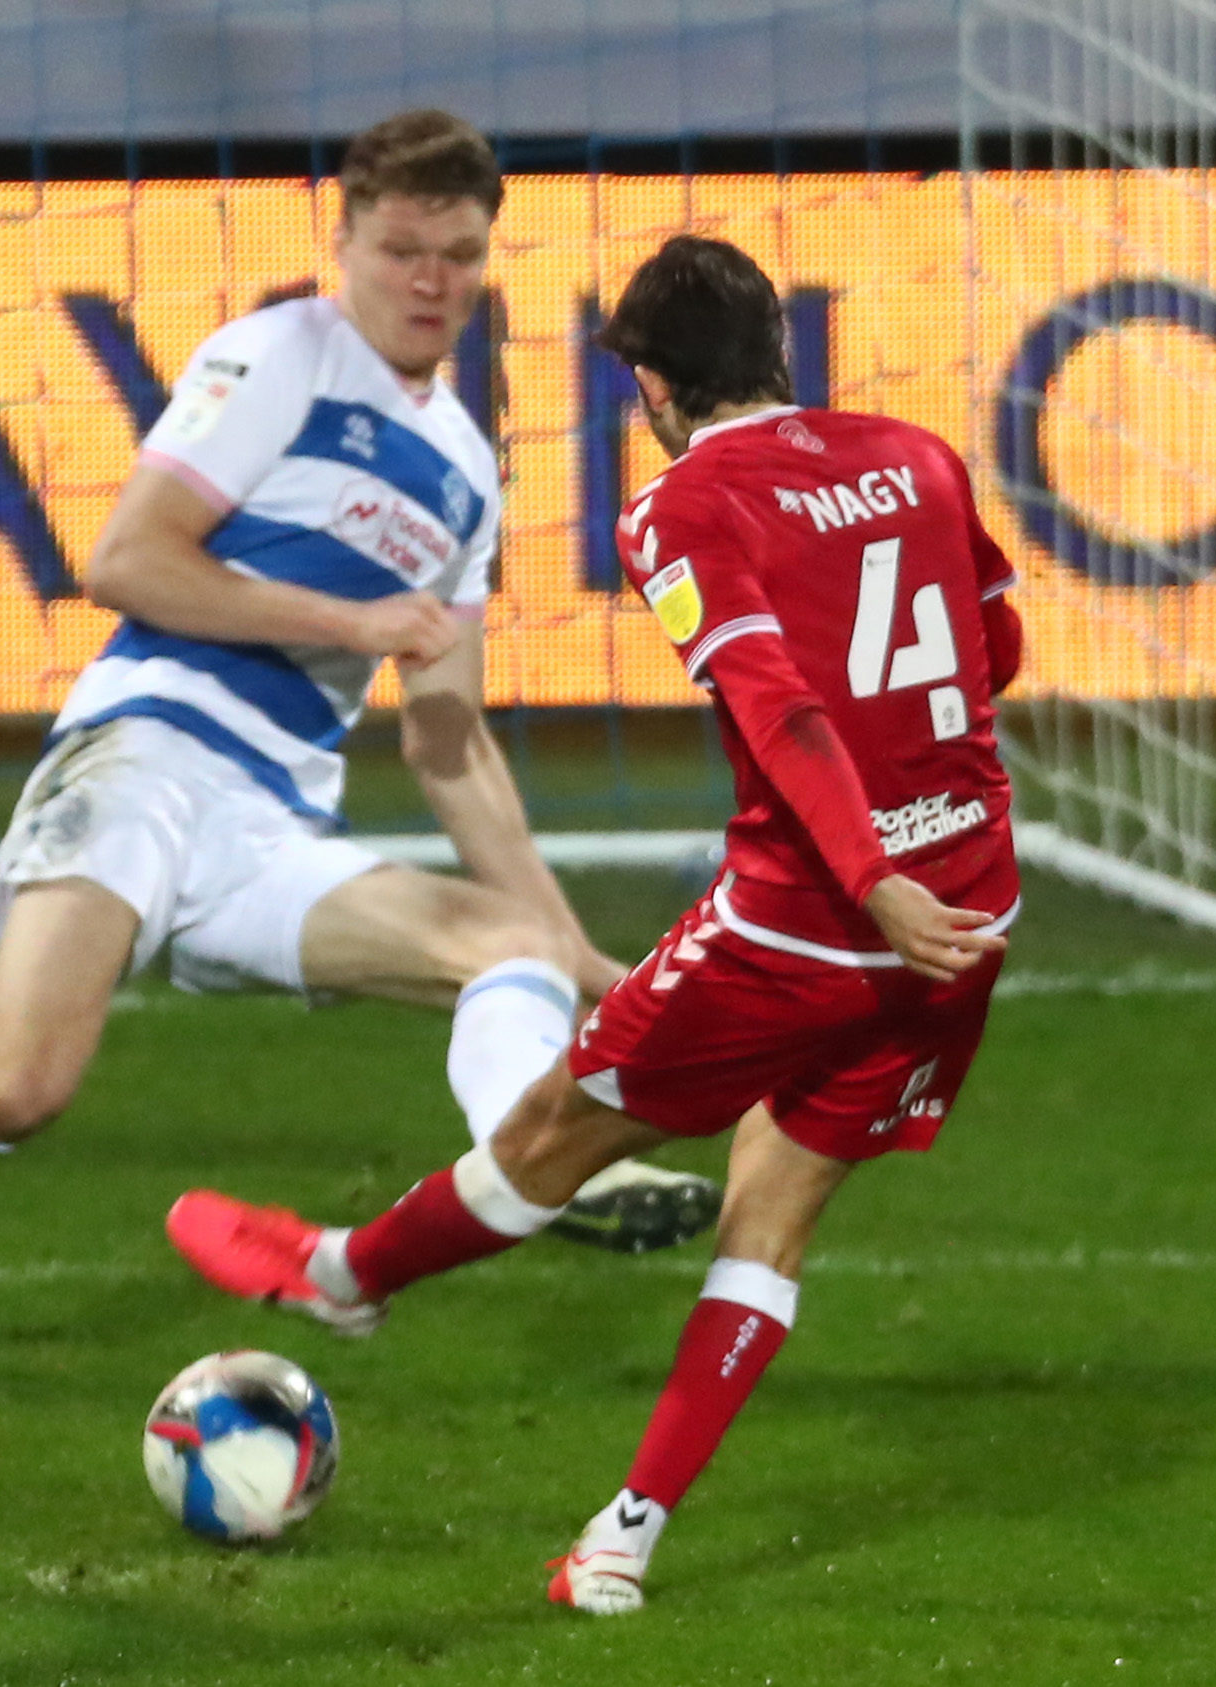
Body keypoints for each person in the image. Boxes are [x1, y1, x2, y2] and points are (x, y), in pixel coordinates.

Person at [0, 110, 721, 1380]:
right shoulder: (281, 357)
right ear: (344, 242)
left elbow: (449, 743)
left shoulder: (465, 471)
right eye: (402, 252)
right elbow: (129, 561)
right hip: (141, 762)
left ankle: (536, 1164)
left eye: (459, 255)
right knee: (12, 1092)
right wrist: (351, 621)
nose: (431, 282)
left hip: (269, 831)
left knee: (508, 948)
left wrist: (576, 954)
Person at [164, 233, 1023, 1615]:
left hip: (813, 923)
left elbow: (780, 710)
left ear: (653, 387)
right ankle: (618, 1543)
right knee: (773, 1214)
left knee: (550, 1132)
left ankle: (345, 1275)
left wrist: (870, 875)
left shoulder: (679, 509)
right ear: (779, 348)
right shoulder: (918, 455)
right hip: (970, 911)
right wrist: (919, 828)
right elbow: (996, 642)